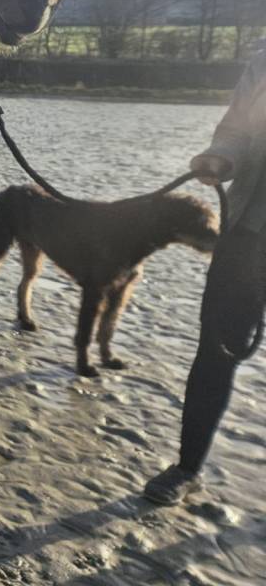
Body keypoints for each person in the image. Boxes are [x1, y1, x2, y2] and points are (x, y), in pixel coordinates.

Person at [144, 44, 266, 504]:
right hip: (249, 231)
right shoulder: (264, 59)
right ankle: (188, 466)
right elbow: (238, 129)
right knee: (215, 349)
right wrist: (219, 157)